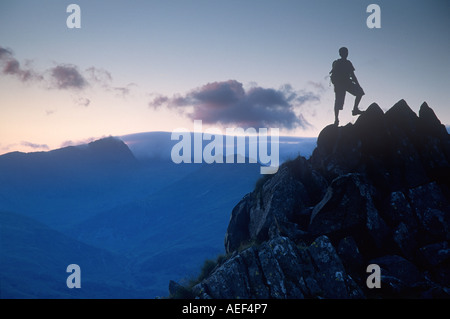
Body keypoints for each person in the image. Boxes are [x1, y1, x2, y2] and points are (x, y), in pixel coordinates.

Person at [330, 47, 365, 125]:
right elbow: (353, 76)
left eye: (346, 52)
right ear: (341, 54)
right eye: (345, 52)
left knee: (359, 93)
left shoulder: (347, 63)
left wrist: (358, 85)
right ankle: (336, 119)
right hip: (341, 85)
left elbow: (352, 75)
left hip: (344, 84)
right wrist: (358, 85)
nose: (346, 54)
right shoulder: (341, 63)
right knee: (338, 103)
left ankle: (354, 110)